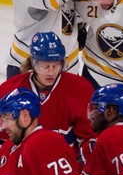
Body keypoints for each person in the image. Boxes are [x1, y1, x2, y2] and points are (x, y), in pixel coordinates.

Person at [0, 31, 96, 165]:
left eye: (56, 65)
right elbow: (3, 140)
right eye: (45, 66)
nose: (51, 72)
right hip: (22, 168)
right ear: (33, 63)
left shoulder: (80, 88)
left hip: (64, 167)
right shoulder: (9, 90)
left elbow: (88, 138)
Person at [0, 88, 88, 175]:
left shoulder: (44, 143)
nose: (3, 127)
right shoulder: (8, 146)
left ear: (25, 116)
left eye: (7, 119)